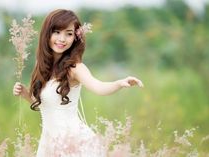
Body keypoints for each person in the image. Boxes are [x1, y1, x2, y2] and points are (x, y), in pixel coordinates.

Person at [13, 9, 143, 157]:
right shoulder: (42, 66)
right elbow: (46, 105)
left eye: (69, 34)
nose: (62, 39)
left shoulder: (74, 68)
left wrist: (119, 83)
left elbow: (98, 87)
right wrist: (25, 93)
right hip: (49, 142)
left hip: (73, 143)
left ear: (75, 37)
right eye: (57, 32)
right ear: (47, 33)